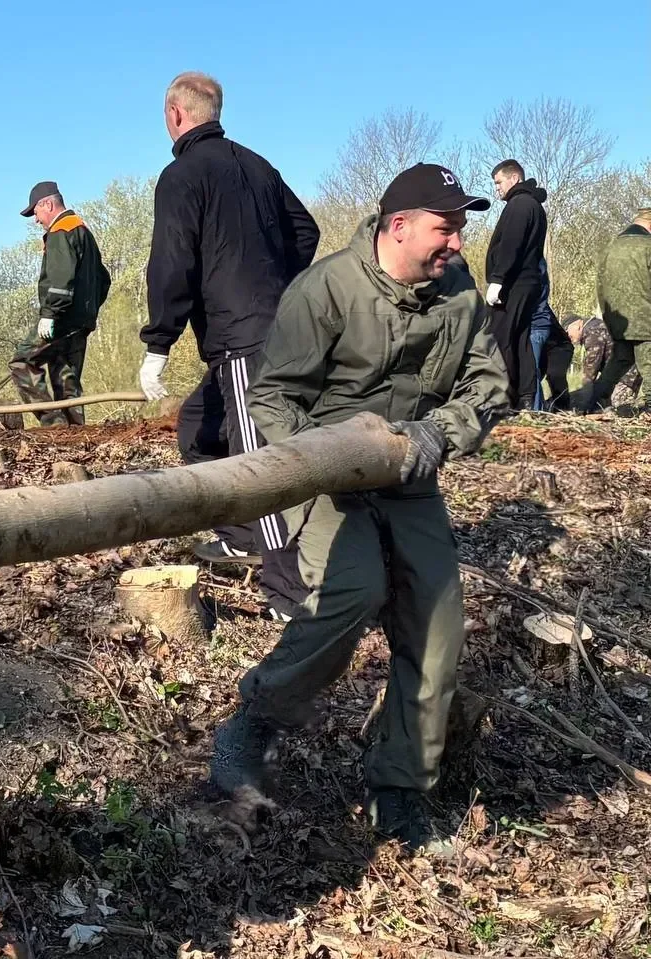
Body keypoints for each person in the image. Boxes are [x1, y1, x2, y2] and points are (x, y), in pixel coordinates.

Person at [213, 163, 509, 853]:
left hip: (411, 474)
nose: (457, 243)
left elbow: (488, 384)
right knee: (352, 590)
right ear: (398, 226)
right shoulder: (324, 290)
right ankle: (254, 722)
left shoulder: (459, 294)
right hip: (329, 477)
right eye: (445, 228)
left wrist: (441, 432)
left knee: (438, 618)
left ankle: (399, 787)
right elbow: (272, 397)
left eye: (460, 230)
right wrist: (317, 460)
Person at [137, 71, 319, 621]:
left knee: (261, 462)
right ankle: (241, 536)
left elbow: (171, 263)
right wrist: (278, 283)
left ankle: (290, 594)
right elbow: (305, 231)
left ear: (175, 114)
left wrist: (158, 344)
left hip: (244, 340)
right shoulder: (258, 165)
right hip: (271, 330)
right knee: (198, 427)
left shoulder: (181, 175)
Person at [8, 181, 110, 427]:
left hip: (61, 319)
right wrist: (88, 312)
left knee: (21, 362)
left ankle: (54, 425)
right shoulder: (83, 231)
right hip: (81, 322)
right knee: (67, 379)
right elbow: (104, 279)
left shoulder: (61, 230)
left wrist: (50, 313)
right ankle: (75, 434)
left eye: (35, 212)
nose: (36, 220)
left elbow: (61, 277)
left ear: (48, 204)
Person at [484, 159, 548, 409]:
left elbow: (512, 243)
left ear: (514, 178)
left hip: (513, 283)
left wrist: (498, 279)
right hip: (526, 282)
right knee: (521, 339)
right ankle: (525, 397)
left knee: (499, 338)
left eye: (499, 182)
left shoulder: (520, 204)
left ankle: (502, 397)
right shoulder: (532, 205)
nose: (497, 188)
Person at [588, 208, 651, 412]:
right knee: (649, 364)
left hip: (618, 321)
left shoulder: (610, 247)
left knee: (620, 360)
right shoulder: (648, 246)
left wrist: (608, 317)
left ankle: (594, 403)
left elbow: (600, 287)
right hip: (646, 320)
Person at [567, 313, 642, 410]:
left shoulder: (593, 331)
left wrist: (584, 395)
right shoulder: (593, 327)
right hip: (617, 373)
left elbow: (591, 368)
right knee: (600, 399)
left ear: (577, 325)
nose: (567, 336)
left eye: (567, 332)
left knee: (619, 404)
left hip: (626, 373)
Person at [529, 259, 569, 410]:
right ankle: (545, 405)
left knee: (554, 375)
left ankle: (562, 407)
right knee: (534, 373)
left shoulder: (541, 312)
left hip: (559, 346)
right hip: (545, 346)